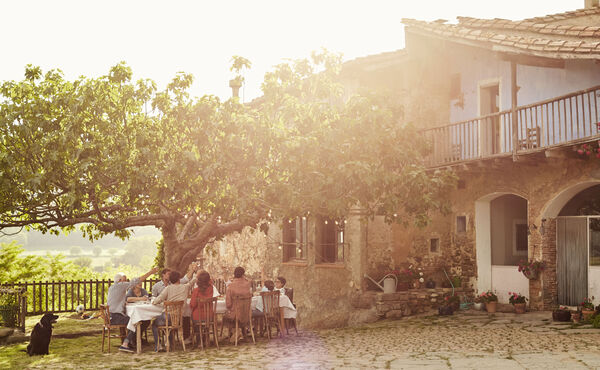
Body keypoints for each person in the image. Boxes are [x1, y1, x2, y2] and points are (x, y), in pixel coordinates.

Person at [106, 266, 158, 353]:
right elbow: (137, 280)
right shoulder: (120, 286)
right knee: (136, 320)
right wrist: (151, 272)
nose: (126, 282)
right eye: (125, 280)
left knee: (134, 318)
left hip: (110, 316)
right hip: (115, 317)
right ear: (119, 281)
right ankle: (125, 344)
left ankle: (129, 341)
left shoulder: (112, 287)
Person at [151, 268, 198, 351]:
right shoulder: (185, 287)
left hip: (168, 317)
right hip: (179, 318)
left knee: (154, 323)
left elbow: (158, 299)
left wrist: (154, 302)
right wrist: (195, 275)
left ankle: (158, 345)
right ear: (179, 279)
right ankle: (171, 344)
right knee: (169, 323)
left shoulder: (168, 288)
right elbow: (191, 282)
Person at [223, 266, 252, 341]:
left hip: (235, 315)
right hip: (246, 314)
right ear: (243, 274)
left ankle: (234, 331)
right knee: (239, 312)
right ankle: (242, 333)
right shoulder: (248, 284)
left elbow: (228, 304)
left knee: (225, 316)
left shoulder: (230, 286)